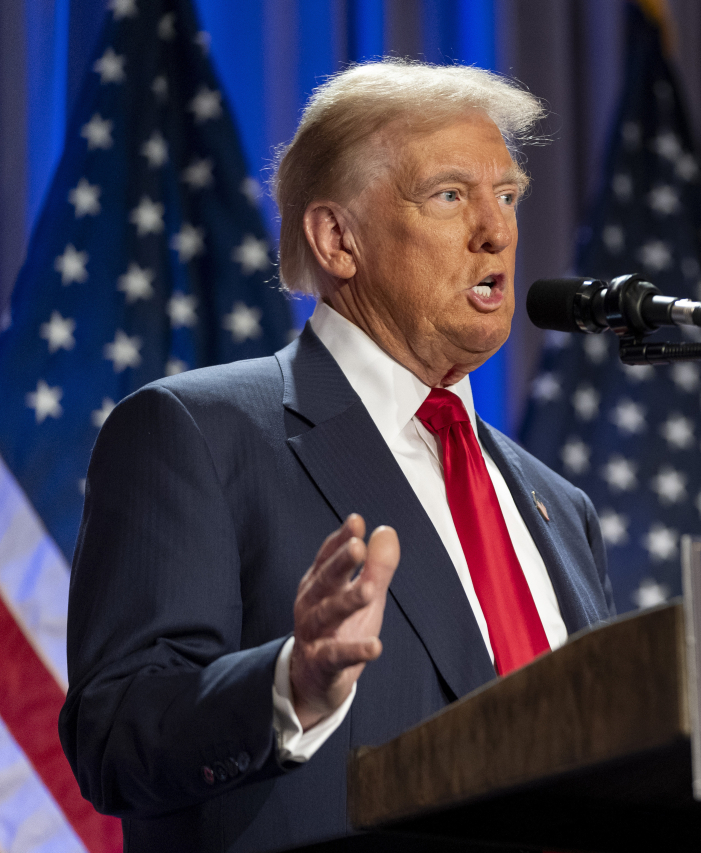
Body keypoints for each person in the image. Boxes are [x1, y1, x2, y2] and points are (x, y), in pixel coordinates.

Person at [59, 61, 614, 853]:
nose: (498, 230)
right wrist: (292, 682)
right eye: (451, 195)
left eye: (509, 194)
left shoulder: (558, 505)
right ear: (337, 238)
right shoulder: (194, 432)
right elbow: (115, 733)